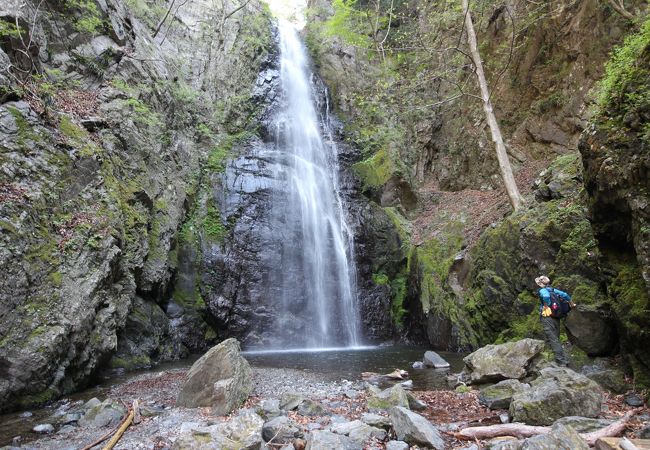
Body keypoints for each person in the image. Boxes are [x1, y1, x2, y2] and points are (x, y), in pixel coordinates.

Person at [535, 275, 575, 367]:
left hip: (547, 317)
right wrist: (572, 304)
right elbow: (565, 295)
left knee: (553, 339)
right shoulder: (553, 290)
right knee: (556, 338)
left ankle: (561, 362)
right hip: (556, 316)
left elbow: (545, 296)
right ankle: (564, 359)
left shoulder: (543, 290)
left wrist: (546, 306)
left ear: (540, 284)